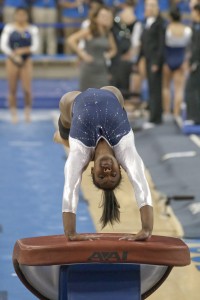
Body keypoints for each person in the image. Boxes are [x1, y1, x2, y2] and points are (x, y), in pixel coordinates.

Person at [54, 86, 153, 241]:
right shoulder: (125, 147)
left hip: (72, 109)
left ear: (92, 170)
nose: (107, 171)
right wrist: (147, 229)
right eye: (113, 174)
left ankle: (62, 137)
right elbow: (140, 183)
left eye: (101, 176)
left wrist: (71, 232)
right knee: (114, 92)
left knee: (66, 104)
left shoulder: (80, 152)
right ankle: (62, 139)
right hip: (110, 95)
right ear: (121, 167)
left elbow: (70, 188)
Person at [0, 7, 39, 123]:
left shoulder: (32, 29)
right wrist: (13, 55)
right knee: (12, 88)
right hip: (12, 60)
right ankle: (14, 112)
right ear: (15, 16)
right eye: (19, 15)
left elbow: (35, 47)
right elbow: (3, 45)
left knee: (27, 89)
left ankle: (27, 111)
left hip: (26, 60)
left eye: (23, 15)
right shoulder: (9, 28)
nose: (21, 17)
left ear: (27, 16)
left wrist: (23, 51)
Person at [67, 6, 117, 91]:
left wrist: (108, 55)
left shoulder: (108, 33)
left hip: (102, 69)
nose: (105, 18)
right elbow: (71, 40)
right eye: (102, 16)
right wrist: (82, 54)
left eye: (107, 16)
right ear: (96, 18)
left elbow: (114, 49)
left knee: (103, 94)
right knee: (86, 96)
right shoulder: (89, 31)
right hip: (89, 69)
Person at [137, 0, 165, 128]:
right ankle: (155, 115)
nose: (148, 8)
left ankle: (155, 118)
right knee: (151, 88)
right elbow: (144, 45)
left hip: (154, 61)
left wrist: (156, 62)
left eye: (150, 6)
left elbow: (160, 45)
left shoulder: (159, 24)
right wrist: (139, 59)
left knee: (155, 90)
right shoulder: (146, 23)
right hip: (147, 60)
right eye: (147, 5)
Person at [162, 7, 192, 118]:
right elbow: (189, 48)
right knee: (179, 89)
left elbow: (163, 45)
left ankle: (166, 112)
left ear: (170, 17)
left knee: (166, 87)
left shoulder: (167, 29)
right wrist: (186, 61)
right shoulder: (187, 30)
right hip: (180, 59)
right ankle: (176, 112)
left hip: (168, 58)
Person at [184, 4, 200, 124]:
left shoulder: (198, 28)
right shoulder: (195, 27)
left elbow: (197, 48)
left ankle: (195, 118)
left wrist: (193, 63)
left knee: (191, 90)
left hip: (197, 65)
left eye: (193, 12)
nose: (191, 14)